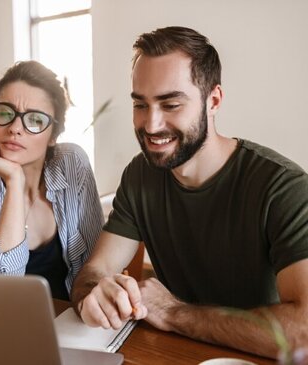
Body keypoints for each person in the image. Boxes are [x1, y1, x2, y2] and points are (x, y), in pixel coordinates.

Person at [71, 26, 308, 358]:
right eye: (141, 104)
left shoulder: (284, 188)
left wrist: (174, 313)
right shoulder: (141, 175)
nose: (151, 125)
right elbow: (94, 272)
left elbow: (304, 331)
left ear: (213, 101)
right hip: (177, 354)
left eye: (170, 105)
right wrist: (96, 295)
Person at [0, 60, 104, 300]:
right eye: (5, 113)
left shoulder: (72, 163)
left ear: (53, 135)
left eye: (34, 120)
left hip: (77, 320)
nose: (15, 128)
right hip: (7, 325)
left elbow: (96, 263)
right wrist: (13, 181)